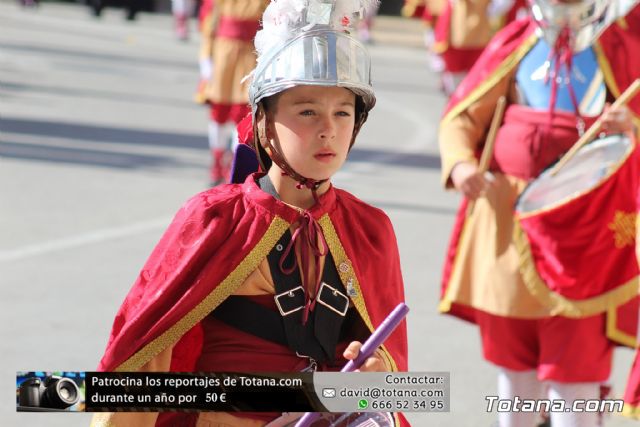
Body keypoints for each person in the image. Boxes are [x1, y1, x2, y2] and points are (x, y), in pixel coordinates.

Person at [90, 1, 408, 426]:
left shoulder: (370, 228)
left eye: (343, 113)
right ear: (263, 122)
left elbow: (396, 381)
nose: (328, 129)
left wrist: (375, 376)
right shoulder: (214, 218)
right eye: (307, 111)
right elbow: (142, 364)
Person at [438, 0, 640, 426]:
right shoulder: (515, 41)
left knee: (576, 376)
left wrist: (632, 126)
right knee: (515, 373)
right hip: (508, 229)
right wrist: (460, 165)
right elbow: (461, 120)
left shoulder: (621, 45)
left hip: (587, 238)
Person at [195, 0, 268, 186]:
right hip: (223, 53)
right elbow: (209, 23)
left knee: (243, 113)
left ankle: (236, 163)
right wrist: (206, 60)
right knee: (219, 110)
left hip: (251, 55)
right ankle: (217, 159)